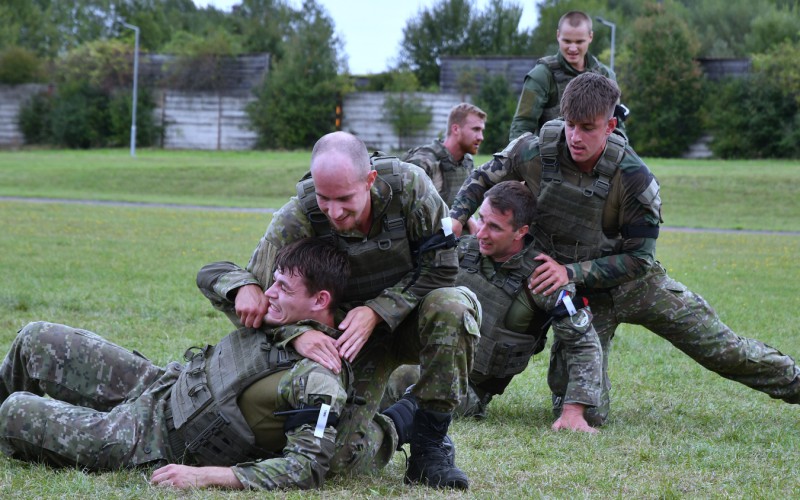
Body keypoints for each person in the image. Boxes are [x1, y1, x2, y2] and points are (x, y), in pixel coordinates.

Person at [451, 72, 800, 425]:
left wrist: (570, 271)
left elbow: (638, 258)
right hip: (580, 294)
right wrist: (456, 217)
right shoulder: (536, 149)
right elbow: (484, 176)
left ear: (610, 125)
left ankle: (796, 383)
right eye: (570, 124)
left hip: (633, 285)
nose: (575, 136)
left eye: (588, 127)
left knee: (724, 351)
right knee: (586, 412)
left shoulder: (634, 177)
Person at [196, 131, 481, 490]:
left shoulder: (411, 188)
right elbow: (256, 293)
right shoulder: (298, 217)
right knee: (339, 459)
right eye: (324, 197)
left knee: (452, 305)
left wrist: (377, 310)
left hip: (413, 325)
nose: (333, 211)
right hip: (348, 345)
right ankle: (402, 417)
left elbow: (443, 268)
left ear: (370, 180)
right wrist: (257, 299)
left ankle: (430, 445)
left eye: (345, 198)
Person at [0, 238, 401, 491]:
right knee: (35, 339)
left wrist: (205, 476)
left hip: (153, 440)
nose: (271, 292)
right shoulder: (278, 318)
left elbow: (307, 467)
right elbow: (209, 273)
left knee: (15, 411)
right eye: (273, 280)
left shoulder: (318, 380)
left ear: (320, 300)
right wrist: (248, 289)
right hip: (159, 385)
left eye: (283, 287)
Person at [382, 181, 603, 433]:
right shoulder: (462, 249)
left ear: (520, 232)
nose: (481, 233)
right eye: (481, 219)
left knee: (403, 377)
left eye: (494, 227)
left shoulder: (542, 277)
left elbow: (582, 342)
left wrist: (573, 411)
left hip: (467, 388)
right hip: (420, 357)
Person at [508, 10, 622, 140]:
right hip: (552, 156)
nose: (573, 48)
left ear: (590, 37)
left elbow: (617, 125)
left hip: (595, 157)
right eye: (567, 41)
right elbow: (522, 126)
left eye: (579, 42)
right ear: (558, 35)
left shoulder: (606, 75)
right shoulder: (541, 75)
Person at [402, 102, 486, 207]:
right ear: (456, 129)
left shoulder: (466, 162)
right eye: (476, 129)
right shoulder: (425, 161)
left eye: (482, 131)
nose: (481, 137)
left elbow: (462, 205)